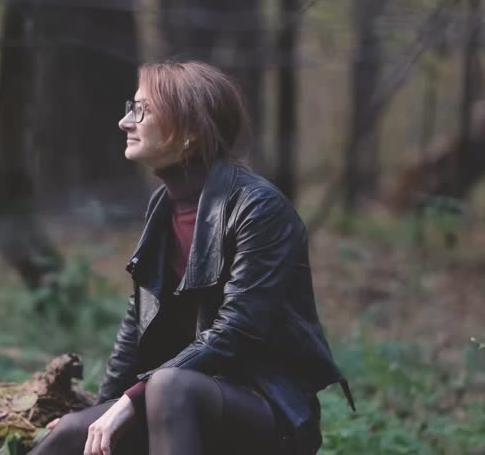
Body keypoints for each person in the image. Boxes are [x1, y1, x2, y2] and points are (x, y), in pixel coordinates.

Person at [29, 61, 354, 455]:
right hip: (179, 396)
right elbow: (137, 322)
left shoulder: (258, 207)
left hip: (270, 411)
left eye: (141, 110)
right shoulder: (163, 207)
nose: (123, 122)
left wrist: (133, 399)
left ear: (190, 134)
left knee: (168, 384)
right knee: (67, 436)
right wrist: (104, 411)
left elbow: (238, 329)